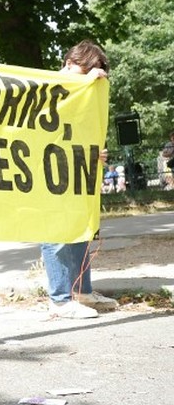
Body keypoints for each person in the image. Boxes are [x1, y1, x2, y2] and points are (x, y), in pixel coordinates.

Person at [40, 40, 118, 319]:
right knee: (56, 233)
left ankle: (82, 292)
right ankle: (60, 301)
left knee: (80, 229)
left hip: (75, 170)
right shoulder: (53, 84)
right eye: (90, 68)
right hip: (48, 171)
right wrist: (85, 78)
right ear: (73, 63)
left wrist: (95, 153)